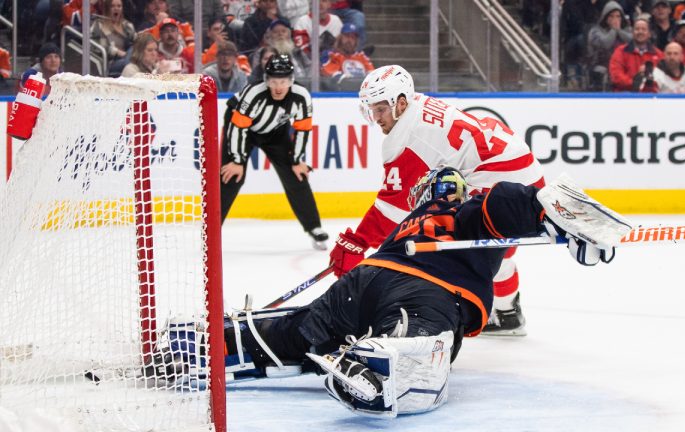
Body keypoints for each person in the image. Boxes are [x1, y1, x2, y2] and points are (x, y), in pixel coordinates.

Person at [155, 167, 620, 417]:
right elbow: (507, 201)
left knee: (301, 329)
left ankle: (205, 341)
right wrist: (559, 220)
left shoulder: (410, 219)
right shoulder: (468, 211)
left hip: (364, 281)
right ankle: (385, 360)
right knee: (414, 332)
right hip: (428, 290)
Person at [328, 65, 545, 336]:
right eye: (372, 110)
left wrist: (357, 241)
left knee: (456, 253)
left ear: (401, 103)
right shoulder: (416, 106)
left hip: (501, 178)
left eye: (381, 109)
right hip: (521, 168)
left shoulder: (408, 141)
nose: (377, 117)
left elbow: (392, 209)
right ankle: (508, 314)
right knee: (488, 248)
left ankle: (441, 325)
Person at [220, 54, 329, 249]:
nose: (279, 87)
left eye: (284, 81)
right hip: (242, 128)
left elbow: (303, 129)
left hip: (275, 132)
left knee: (297, 176)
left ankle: (314, 227)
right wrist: (237, 160)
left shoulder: (301, 97)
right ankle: (211, 229)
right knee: (231, 176)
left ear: (292, 80)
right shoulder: (255, 93)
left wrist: (296, 160)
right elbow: (238, 127)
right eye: (274, 81)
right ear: (266, 80)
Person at [587, 1, 632, 91]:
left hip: (623, 67)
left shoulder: (627, 30)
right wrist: (613, 30)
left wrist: (618, 30)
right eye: (611, 16)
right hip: (602, 66)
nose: (615, 19)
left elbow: (632, 42)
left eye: (618, 16)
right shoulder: (595, 31)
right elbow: (605, 44)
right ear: (605, 17)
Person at [609, 16, 663, 91]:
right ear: (632, 32)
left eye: (644, 29)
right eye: (637, 29)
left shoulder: (658, 54)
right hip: (626, 96)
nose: (640, 32)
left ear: (649, 34)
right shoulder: (620, 51)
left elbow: (663, 78)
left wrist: (648, 84)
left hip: (651, 97)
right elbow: (616, 76)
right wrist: (635, 84)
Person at [320, 23, 374, 90]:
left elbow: (372, 75)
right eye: (347, 36)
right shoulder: (332, 55)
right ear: (340, 37)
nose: (349, 40)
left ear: (356, 41)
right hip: (343, 95)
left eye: (353, 37)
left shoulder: (362, 56)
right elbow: (333, 75)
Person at [91, 0, 137, 76]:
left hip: (128, 58)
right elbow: (94, 46)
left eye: (119, 6)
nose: (116, 8)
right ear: (106, 8)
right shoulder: (99, 24)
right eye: (112, 6)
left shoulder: (127, 25)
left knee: (134, 50)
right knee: (131, 65)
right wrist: (116, 51)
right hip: (109, 63)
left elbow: (137, 41)